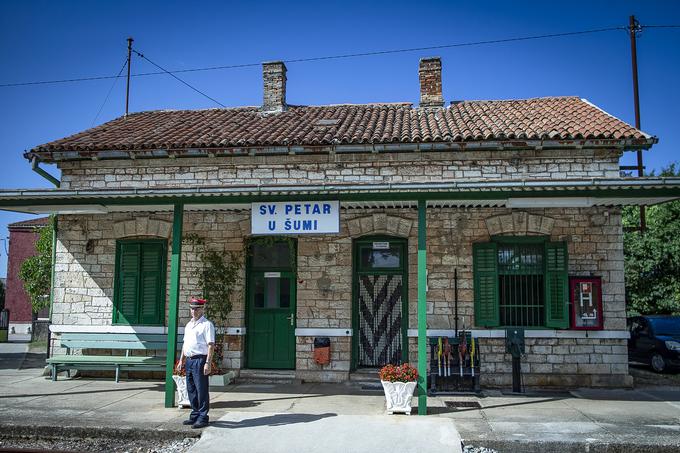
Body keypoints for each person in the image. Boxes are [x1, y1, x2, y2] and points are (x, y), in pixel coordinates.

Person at [176, 297, 215, 429]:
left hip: (200, 360)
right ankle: (195, 414)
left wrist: (208, 363)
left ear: (202, 309)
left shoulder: (207, 325)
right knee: (191, 389)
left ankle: (203, 417)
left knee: (201, 390)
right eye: (192, 309)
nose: (194, 311)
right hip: (189, 360)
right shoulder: (188, 325)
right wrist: (181, 360)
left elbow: (211, 345)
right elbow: (185, 344)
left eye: (197, 308)